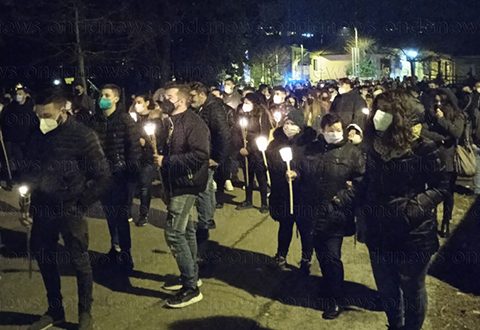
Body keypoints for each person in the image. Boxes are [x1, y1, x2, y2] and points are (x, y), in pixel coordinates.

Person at [356, 90, 449, 330]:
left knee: (413, 290)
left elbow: (442, 186)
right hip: (378, 232)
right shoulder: (373, 147)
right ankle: (394, 325)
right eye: (376, 111)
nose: (377, 117)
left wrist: (415, 207)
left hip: (413, 234)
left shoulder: (424, 149)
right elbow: (367, 185)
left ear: (399, 117)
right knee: (386, 288)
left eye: (384, 112)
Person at [21, 90, 110, 330]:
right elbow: (30, 168)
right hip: (43, 208)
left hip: (70, 209)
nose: (42, 120)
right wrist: (26, 203)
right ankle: (55, 310)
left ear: (62, 110)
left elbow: (102, 175)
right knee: (45, 259)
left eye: (46, 115)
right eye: (38, 115)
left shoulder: (82, 135)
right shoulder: (37, 134)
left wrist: (81, 203)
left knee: (79, 262)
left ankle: (85, 313)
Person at [292, 113, 365, 320]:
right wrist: (295, 174)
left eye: (337, 129)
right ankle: (328, 286)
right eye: (330, 130)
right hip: (311, 212)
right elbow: (301, 168)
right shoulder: (312, 149)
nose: (335, 134)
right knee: (321, 254)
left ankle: (336, 298)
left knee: (332, 256)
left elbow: (360, 183)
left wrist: (340, 199)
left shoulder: (352, 153)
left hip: (335, 215)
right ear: (322, 131)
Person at [155, 84, 210, 308]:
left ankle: (191, 288)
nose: (164, 99)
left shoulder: (193, 123)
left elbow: (201, 154)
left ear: (181, 101)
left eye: (169, 97)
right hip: (174, 182)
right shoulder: (170, 121)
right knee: (186, 230)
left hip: (187, 182)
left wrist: (167, 162)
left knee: (174, 233)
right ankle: (191, 275)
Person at [92, 84, 141, 272]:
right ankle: (115, 247)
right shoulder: (95, 121)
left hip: (120, 176)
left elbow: (134, 149)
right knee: (109, 214)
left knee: (120, 216)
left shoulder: (124, 120)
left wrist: (131, 175)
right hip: (102, 176)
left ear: (116, 99)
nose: (102, 98)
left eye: (107, 95)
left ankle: (126, 254)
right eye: (101, 95)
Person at [266, 109, 316, 273]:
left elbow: (313, 166)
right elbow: (271, 162)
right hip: (283, 192)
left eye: (292, 124)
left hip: (303, 193)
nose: (288, 127)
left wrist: (297, 173)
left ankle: (306, 258)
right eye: (286, 123)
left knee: (305, 228)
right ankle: (281, 255)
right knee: (285, 225)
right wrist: (282, 171)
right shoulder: (276, 142)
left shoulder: (308, 144)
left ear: (300, 126)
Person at [189, 82, 231, 238]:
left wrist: (218, 158)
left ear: (202, 95)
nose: (190, 99)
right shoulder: (202, 108)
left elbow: (224, 135)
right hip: (205, 153)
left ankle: (205, 221)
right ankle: (207, 218)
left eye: (192, 95)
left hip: (209, 155)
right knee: (205, 188)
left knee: (204, 189)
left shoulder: (213, 109)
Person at [422, 90, 465, 237]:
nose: (438, 104)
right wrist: (439, 138)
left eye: (441, 101)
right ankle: (431, 222)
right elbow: (423, 131)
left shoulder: (457, 115)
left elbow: (456, 133)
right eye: (436, 101)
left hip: (448, 160)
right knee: (432, 193)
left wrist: (442, 120)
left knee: (448, 193)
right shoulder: (430, 114)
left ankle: (446, 221)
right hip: (432, 159)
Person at [235, 92, 271, 213]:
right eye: (244, 102)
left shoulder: (261, 114)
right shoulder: (241, 114)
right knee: (247, 176)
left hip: (256, 151)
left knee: (261, 177)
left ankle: (264, 203)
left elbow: (263, 134)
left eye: (247, 102)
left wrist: (250, 149)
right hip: (244, 149)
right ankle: (248, 200)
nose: (244, 104)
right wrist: (240, 147)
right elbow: (236, 131)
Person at [0, 85, 37, 190]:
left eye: (20, 94)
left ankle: (25, 180)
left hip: (27, 139)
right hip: (13, 139)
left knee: (25, 161)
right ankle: (11, 179)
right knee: (13, 161)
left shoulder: (31, 107)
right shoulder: (10, 107)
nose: (18, 96)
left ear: (25, 95)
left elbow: (35, 123)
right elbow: (4, 120)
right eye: (16, 94)